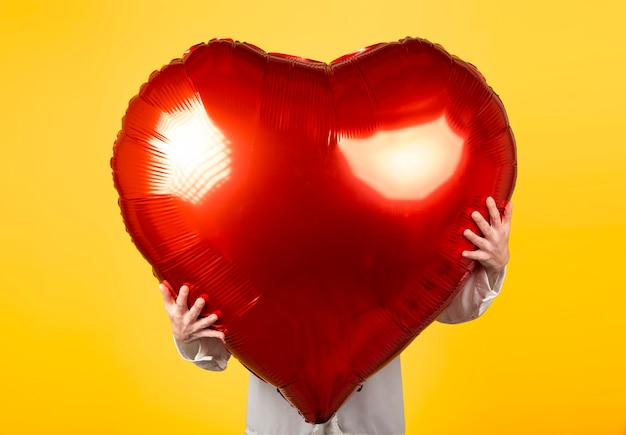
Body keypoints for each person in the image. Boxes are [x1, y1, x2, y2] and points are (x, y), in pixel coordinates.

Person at [158, 197, 513, 435]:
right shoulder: (247, 221)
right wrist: (188, 335)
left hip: (373, 425)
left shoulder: (390, 216)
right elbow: (216, 353)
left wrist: (493, 267)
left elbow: (452, 307)